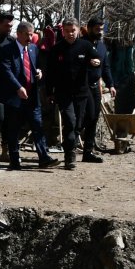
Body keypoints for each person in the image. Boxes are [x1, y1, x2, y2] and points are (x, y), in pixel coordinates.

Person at [0, 21, 58, 170]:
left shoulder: (33, 49)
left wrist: (39, 72)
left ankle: (44, 157)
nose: (30, 38)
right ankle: (14, 160)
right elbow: (6, 71)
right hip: (15, 97)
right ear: (18, 34)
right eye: (27, 34)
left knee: (38, 126)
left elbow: (36, 66)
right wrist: (18, 87)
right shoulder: (7, 50)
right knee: (14, 129)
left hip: (32, 96)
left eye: (31, 34)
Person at [44, 18, 101, 169]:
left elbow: (97, 58)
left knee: (78, 125)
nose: (70, 34)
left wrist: (95, 62)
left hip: (81, 92)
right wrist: (49, 92)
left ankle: (70, 146)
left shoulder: (85, 46)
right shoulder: (56, 49)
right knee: (70, 122)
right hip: (63, 93)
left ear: (78, 30)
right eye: (67, 31)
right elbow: (49, 73)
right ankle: (70, 156)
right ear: (62, 31)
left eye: (73, 30)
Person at [78, 17, 115, 163]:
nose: (100, 32)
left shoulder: (102, 46)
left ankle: (88, 152)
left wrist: (111, 84)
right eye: (97, 29)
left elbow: (105, 67)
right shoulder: (81, 44)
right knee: (83, 117)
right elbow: (73, 61)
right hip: (82, 86)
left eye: (101, 29)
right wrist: (88, 61)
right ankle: (70, 144)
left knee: (93, 118)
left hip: (95, 87)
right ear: (89, 28)